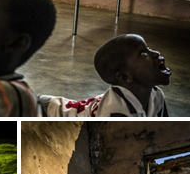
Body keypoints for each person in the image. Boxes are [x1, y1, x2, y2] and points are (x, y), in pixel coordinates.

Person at [40, 34, 170, 117]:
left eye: (148, 48)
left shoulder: (156, 94)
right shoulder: (114, 113)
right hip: (46, 110)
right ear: (124, 77)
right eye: (142, 53)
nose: (155, 53)